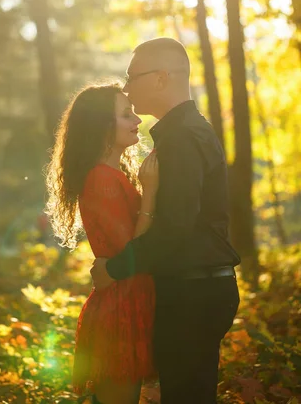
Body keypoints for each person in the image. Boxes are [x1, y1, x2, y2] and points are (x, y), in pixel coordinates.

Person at [91, 38, 241, 404]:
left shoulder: (183, 138)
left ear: (160, 78)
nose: (126, 87)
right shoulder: (180, 133)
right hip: (196, 288)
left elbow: (176, 227)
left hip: (194, 293)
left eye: (133, 77)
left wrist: (117, 268)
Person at [45, 82, 159, 404]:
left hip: (130, 298)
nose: (137, 120)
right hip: (121, 306)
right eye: (126, 114)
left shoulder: (115, 174)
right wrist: (150, 191)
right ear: (102, 127)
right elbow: (133, 250)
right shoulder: (101, 179)